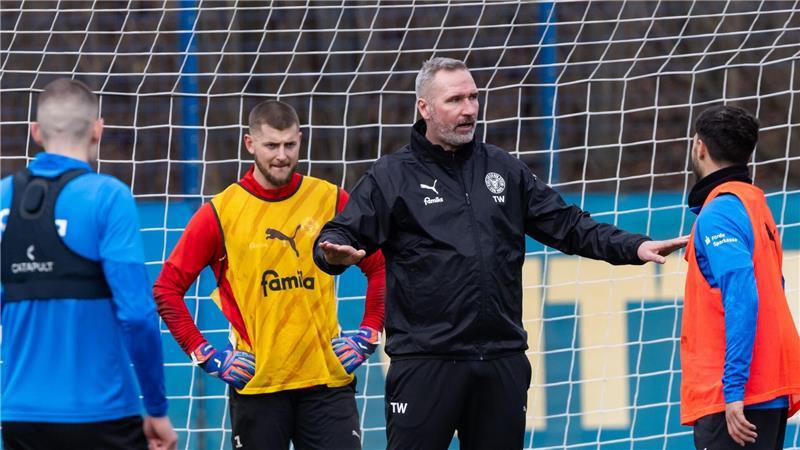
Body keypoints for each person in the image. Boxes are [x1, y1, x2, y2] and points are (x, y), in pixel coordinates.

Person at [313, 57, 688, 450]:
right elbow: (340, 232)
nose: (469, 109)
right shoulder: (392, 176)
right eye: (455, 99)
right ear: (424, 107)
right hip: (425, 362)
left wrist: (635, 246)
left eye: (474, 97)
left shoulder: (503, 168)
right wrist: (331, 256)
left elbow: (570, 225)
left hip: (500, 360)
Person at [153, 100, 386, 450]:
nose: (281, 156)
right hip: (258, 386)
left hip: (326, 382)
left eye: (290, 145)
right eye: (271, 145)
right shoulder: (221, 212)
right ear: (250, 144)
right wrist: (206, 355)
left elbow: (380, 265)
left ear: (300, 141)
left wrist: (367, 334)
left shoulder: (329, 199)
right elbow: (166, 288)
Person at [0, 78, 177, 450]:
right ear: (98, 129)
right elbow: (138, 315)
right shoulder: (107, 196)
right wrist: (157, 409)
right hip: (103, 413)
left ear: (35, 132)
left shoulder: (3, 197)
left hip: (20, 417)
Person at [681, 105, 800, 450]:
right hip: (766, 390)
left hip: (736, 399)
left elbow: (744, 298)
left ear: (699, 147)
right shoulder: (753, 204)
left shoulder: (720, 212)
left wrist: (734, 390)